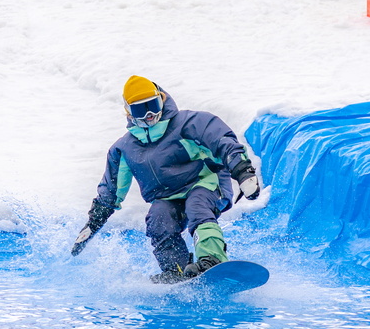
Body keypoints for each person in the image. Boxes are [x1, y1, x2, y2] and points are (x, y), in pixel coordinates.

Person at [71, 76, 262, 283]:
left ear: (161, 99)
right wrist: (92, 224)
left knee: (198, 207)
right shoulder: (124, 149)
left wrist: (243, 171)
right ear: (128, 112)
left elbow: (222, 140)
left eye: (152, 105)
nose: (150, 115)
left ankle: (212, 259)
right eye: (140, 110)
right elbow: (111, 191)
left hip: (204, 182)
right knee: (158, 219)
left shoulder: (188, 123)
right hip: (167, 196)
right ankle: (176, 270)